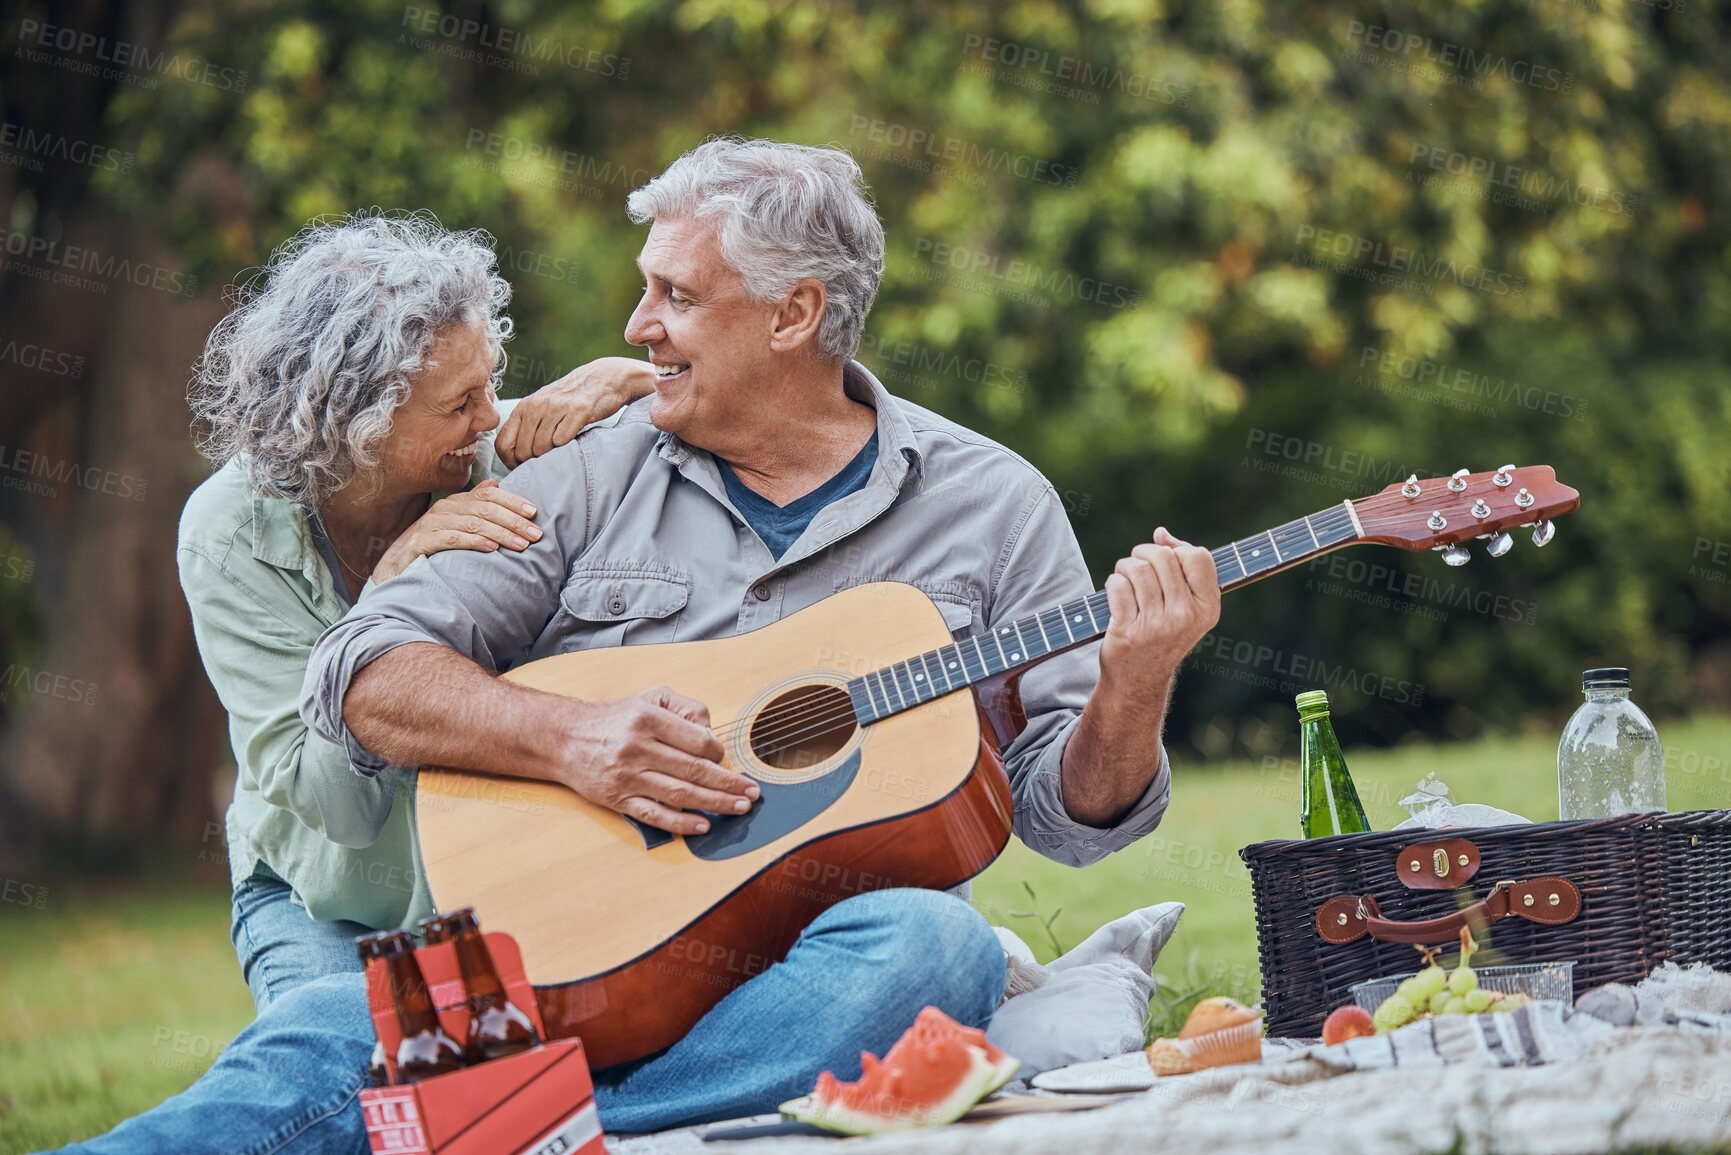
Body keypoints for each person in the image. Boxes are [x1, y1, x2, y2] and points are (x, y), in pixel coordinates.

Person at [51, 140, 1218, 1152]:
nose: (635, 326)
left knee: (936, 947)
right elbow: (371, 668)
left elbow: (1070, 819)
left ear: (795, 313)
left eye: (673, 294)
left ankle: (541, 1129)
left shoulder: (993, 506)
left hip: (805, 959)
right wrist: (574, 737)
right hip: (568, 933)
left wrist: (1137, 679)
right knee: (329, 1030)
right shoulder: (595, 468)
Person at [179, 212, 653, 1013]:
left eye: (490, 383)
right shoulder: (229, 535)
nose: (492, 417)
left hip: (489, 886)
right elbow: (343, 808)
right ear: (354, 420)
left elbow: (690, 431)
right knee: (343, 1080)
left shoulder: (488, 457)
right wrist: (388, 588)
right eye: (460, 401)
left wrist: (634, 378)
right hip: (323, 900)